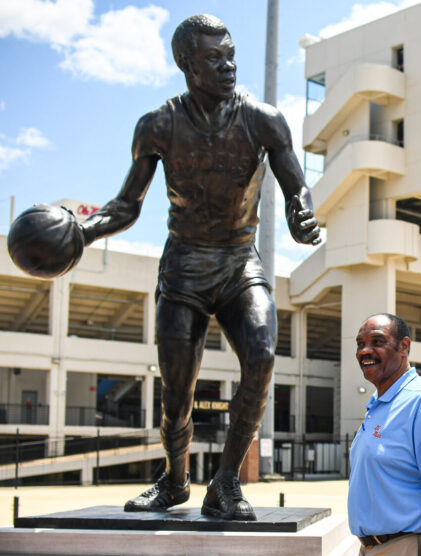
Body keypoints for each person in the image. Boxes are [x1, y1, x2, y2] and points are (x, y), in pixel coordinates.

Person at [78, 14, 321, 520]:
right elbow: (126, 205)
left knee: (261, 354)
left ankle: (225, 482)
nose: (228, 65)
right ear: (187, 65)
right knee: (176, 392)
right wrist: (83, 231)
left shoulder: (263, 119)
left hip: (237, 262)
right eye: (215, 58)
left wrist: (301, 212)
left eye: (231, 54)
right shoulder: (159, 125)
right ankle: (174, 479)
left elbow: (295, 182)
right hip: (184, 266)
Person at [348, 314, 421, 555]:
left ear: (404, 346)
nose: (364, 351)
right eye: (360, 344)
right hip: (372, 548)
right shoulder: (378, 404)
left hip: (409, 546)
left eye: (377, 342)